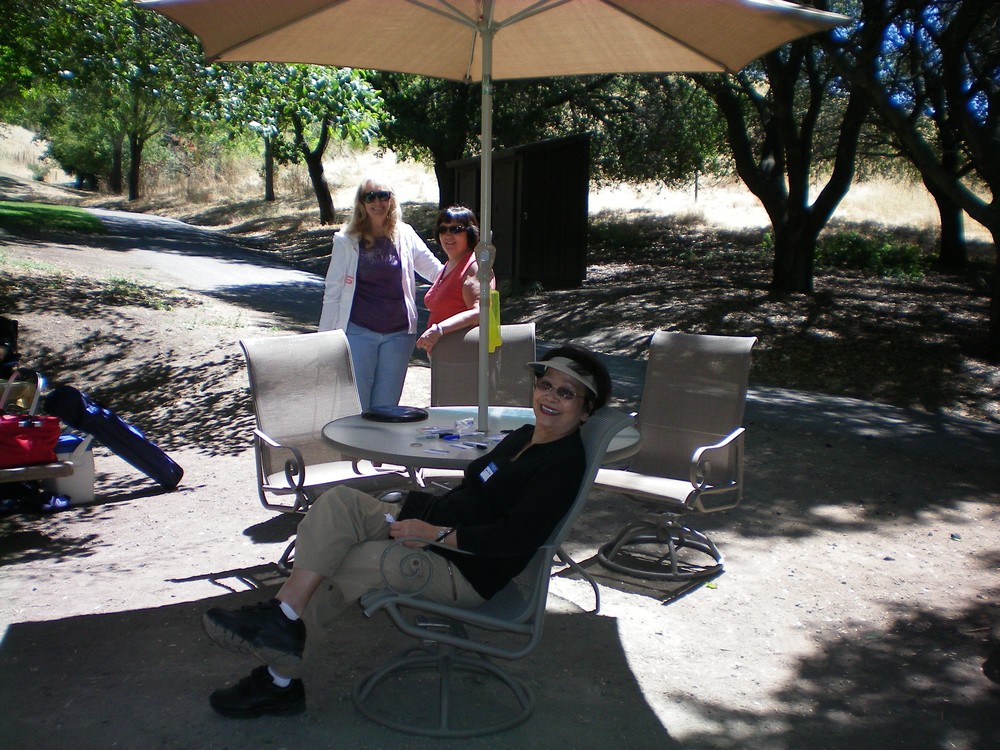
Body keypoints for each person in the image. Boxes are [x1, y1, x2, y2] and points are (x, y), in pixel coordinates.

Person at [201, 343, 612, 718]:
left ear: (585, 411)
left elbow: (514, 538)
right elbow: (476, 493)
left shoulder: (562, 464)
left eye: (566, 393)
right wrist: (423, 518)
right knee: (338, 503)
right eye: (546, 385)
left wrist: (433, 534)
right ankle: (283, 615)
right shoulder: (524, 437)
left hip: (465, 568)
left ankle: (279, 681)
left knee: (354, 561)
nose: (550, 397)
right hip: (435, 528)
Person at [318, 178, 442, 411]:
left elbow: (436, 271)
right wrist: (324, 340)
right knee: (358, 407)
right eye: (370, 197)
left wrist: (468, 271)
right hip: (358, 332)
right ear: (362, 203)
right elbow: (332, 294)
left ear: (391, 199)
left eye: (383, 195)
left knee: (386, 408)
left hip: (399, 335)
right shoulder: (346, 240)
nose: (378, 202)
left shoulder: (405, 234)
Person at [415, 206, 495, 354]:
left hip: (462, 355)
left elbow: (481, 312)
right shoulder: (450, 264)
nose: (448, 235)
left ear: (470, 233)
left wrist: (439, 329)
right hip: (444, 355)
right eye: (443, 229)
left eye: (455, 229)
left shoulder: (474, 267)